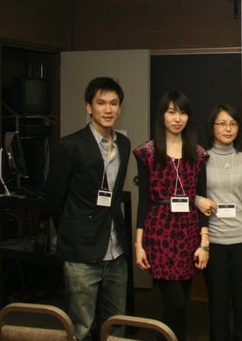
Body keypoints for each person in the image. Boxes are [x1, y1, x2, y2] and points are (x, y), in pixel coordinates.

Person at [46, 77, 131, 341]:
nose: (108, 109)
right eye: (101, 103)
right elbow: (54, 199)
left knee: (116, 326)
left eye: (114, 104)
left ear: (120, 108)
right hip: (81, 253)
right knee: (81, 328)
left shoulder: (124, 145)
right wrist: (74, 229)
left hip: (116, 252)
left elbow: (113, 197)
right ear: (89, 107)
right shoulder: (70, 145)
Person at [132, 90, 209, 340]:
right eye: (172, 111)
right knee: (175, 304)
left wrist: (204, 243)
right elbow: (143, 200)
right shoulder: (147, 152)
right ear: (162, 115)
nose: (178, 118)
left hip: (188, 232)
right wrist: (138, 244)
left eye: (183, 112)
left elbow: (202, 199)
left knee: (182, 306)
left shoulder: (197, 154)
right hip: (159, 232)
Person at [200, 104, 242, 341]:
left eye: (233, 124)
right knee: (217, 308)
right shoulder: (201, 158)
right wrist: (197, 199)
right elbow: (190, 194)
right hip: (214, 243)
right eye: (222, 123)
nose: (228, 129)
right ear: (212, 127)